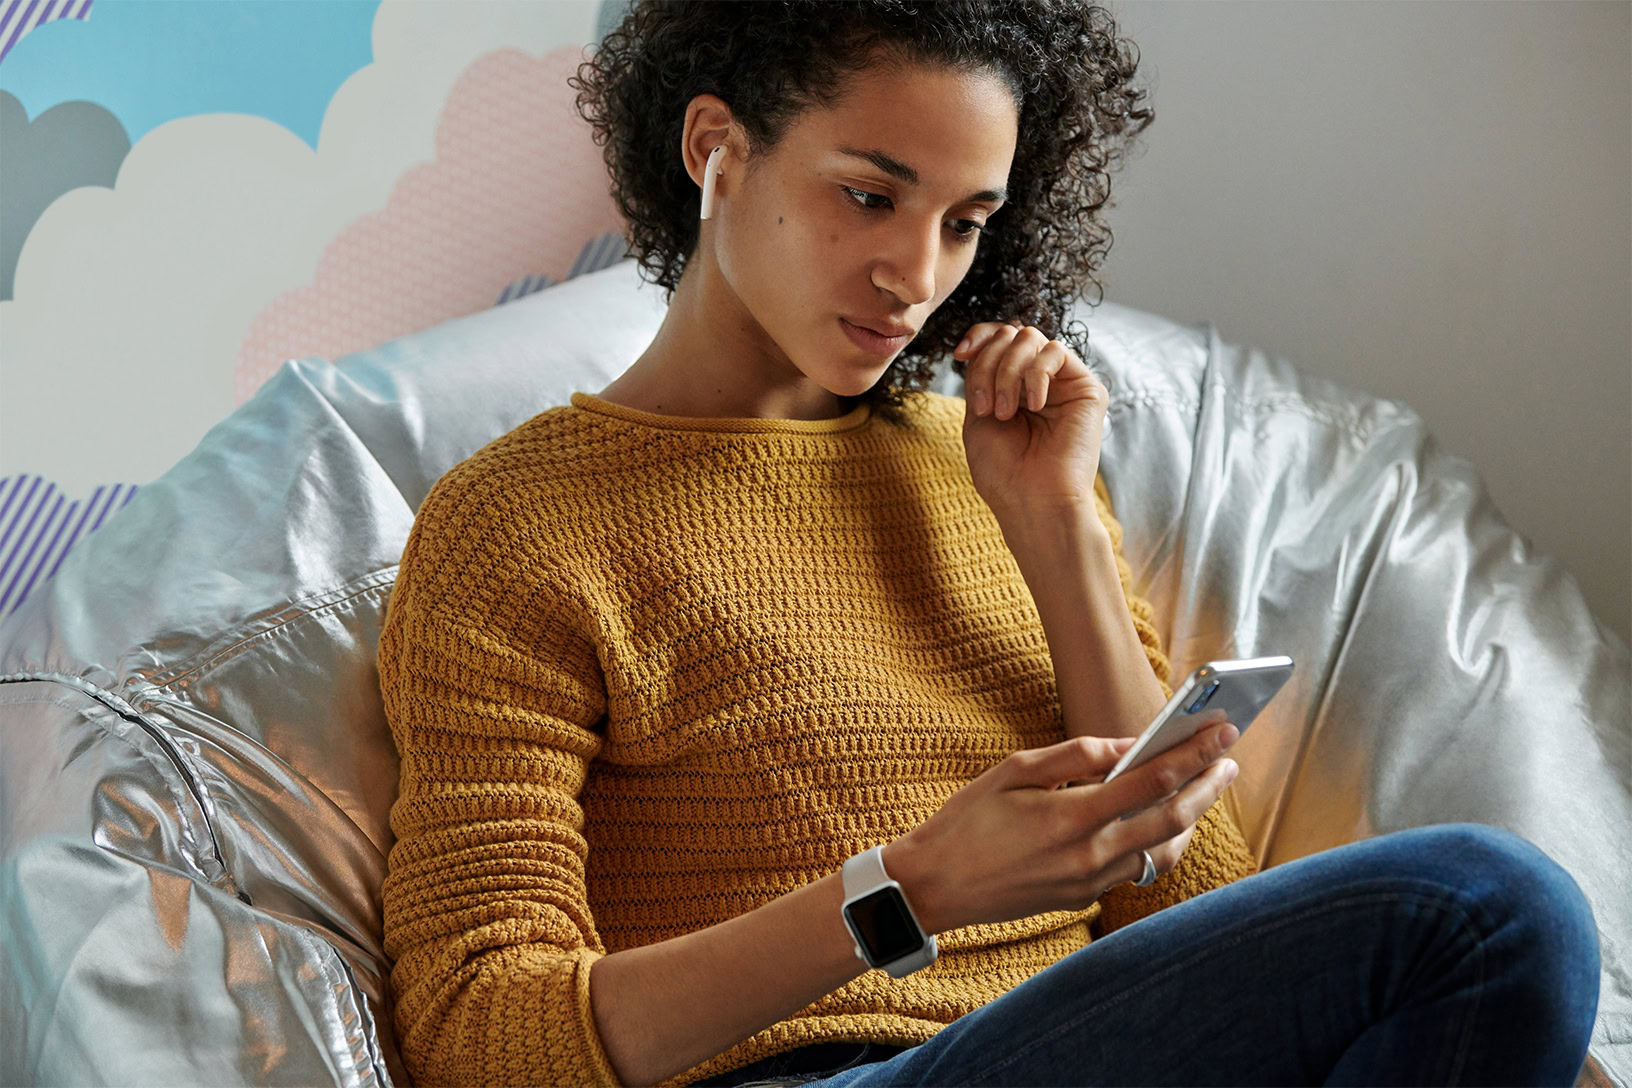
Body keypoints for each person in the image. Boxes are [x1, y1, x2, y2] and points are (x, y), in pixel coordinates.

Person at [374, 2, 1603, 1086]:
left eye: (965, 222)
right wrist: (906, 892)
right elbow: (478, 1033)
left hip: (1076, 1041)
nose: (917, 274)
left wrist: (1055, 527)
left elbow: (1210, 914)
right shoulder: (516, 525)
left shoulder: (986, 468)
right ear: (715, 148)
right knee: (1493, 913)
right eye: (871, 194)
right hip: (810, 1069)